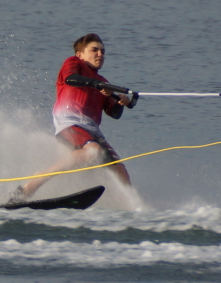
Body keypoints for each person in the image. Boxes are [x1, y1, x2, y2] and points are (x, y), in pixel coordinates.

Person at [11, 33, 134, 202]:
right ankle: (36, 181)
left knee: (120, 170)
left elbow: (114, 113)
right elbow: (71, 79)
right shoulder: (73, 63)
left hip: (93, 131)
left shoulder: (102, 81)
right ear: (80, 54)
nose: (100, 54)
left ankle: (132, 207)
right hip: (69, 122)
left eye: (103, 51)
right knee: (93, 151)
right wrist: (97, 85)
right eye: (95, 50)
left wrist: (122, 102)